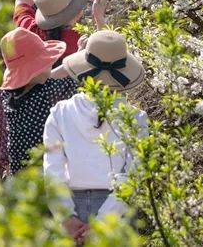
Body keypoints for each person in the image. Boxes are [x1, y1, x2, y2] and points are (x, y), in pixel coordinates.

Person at [43, 30, 147, 243]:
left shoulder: (60, 113)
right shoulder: (136, 118)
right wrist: (104, 221)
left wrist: (65, 217)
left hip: (71, 206)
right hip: (119, 211)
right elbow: (133, 174)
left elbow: (53, 172)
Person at [0, 27, 76, 174]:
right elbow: (78, 74)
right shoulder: (48, 93)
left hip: (21, 176)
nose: (51, 62)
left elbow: (50, 77)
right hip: (45, 177)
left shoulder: (8, 96)